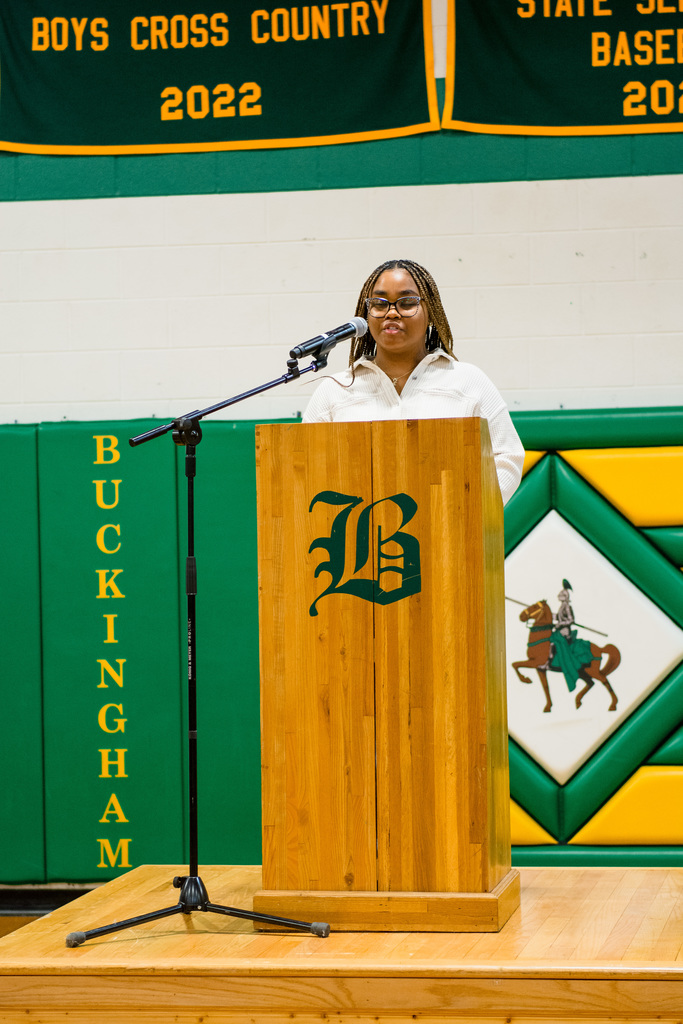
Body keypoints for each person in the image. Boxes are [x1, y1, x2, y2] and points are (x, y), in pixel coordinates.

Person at [302, 258, 525, 504]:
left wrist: (470, 510)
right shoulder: (334, 391)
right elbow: (305, 466)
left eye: (407, 302)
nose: (392, 312)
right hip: (358, 535)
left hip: (450, 532)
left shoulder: (468, 381)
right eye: (379, 303)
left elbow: (507, 458)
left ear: (431, 313)